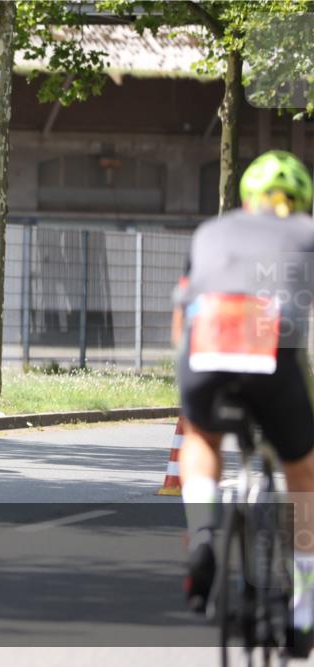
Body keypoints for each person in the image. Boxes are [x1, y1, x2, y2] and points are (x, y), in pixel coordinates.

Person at [172, 150, 314, 657]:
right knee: (304, 472)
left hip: (206, 341)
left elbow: (181, 318)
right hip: (268, 344)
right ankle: (304, 611)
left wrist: (189, 385)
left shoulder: (210, 231)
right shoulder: (307, 233)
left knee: (200, 437)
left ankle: (203, 538)